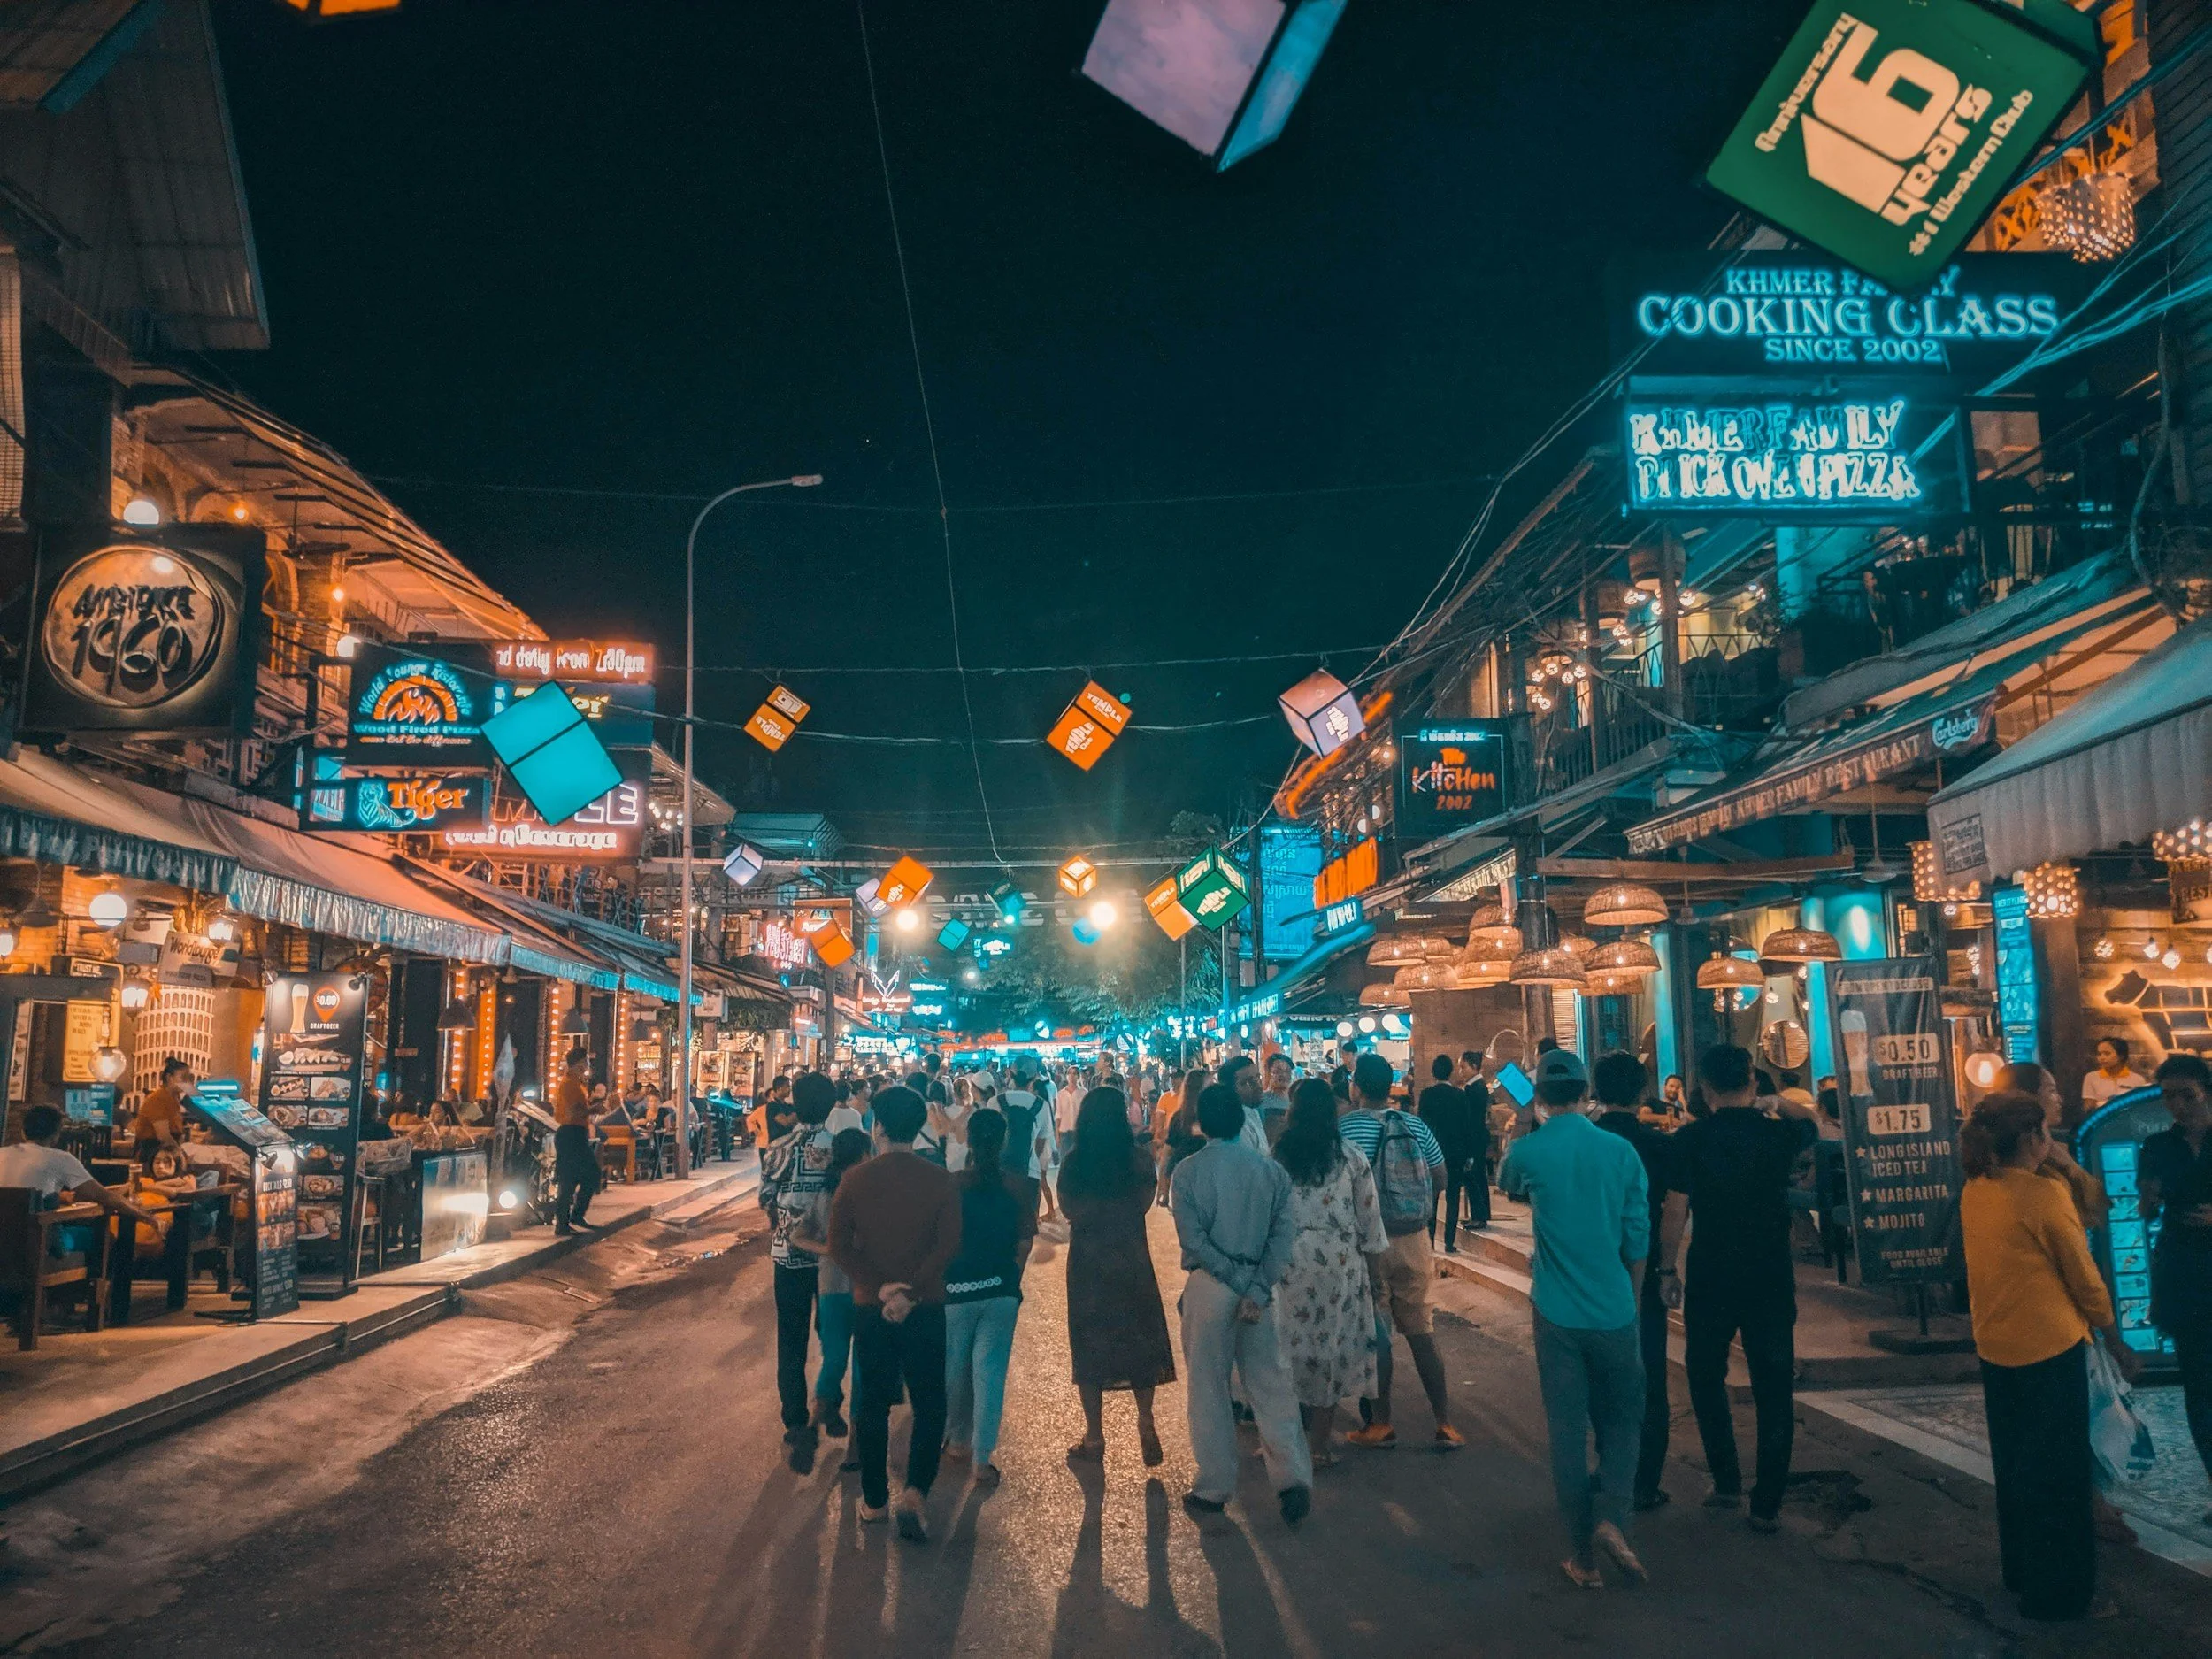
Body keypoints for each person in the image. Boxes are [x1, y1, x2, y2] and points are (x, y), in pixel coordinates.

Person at [1960, 1090, 2137, 1621]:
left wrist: (2060, 1165)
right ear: (2034, 1138)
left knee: (2016, 1466)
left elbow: (2082, 1216)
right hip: (2049, 1346)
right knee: (2060, 1476)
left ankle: (2023, 1573)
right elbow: (2082, 1274)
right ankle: (2061, 1595)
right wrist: (2114, 1336)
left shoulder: (1978, 1189)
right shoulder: (2039, 1196)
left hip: (1997, 1343)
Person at [1498, 1048, 1653, 1589]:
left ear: (1540, 1096)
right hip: (1615, 1306)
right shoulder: (1619, 1152)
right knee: (1622, 1422)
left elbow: (1506, 1180)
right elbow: (1638, 1235)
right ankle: (1614, 1517)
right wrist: (1630, 1299)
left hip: (1556, 1312)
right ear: (1587, 1093)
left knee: (1567, 1431)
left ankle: (1582, 1558)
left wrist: (1522, 1122)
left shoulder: (1530, 1150)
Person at [1656, 1043, 1819, 1531]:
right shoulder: (1778, 1135)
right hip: (1769, 1273)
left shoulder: (1689, 1140)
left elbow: (1675, 1211)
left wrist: (1667, 1271)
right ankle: (1767, 1503)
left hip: (1712, 1271)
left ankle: (1727, 1483)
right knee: (1774, 1383)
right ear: (1752, 1083)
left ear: (1703, 1090)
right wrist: (1775, 1103)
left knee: (1705, 1373)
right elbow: (1812, 1122)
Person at [1171, 1082, 1313, 1525]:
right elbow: (1282, 1236)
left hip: (1210, 1287)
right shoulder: (1270, 1172)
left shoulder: (1188, 1172)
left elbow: (1192, 1239)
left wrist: (1231, 1276)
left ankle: (1214, 1487)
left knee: (1209, 1390)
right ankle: (1292, 1480)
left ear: (1201, 1121)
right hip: (1258, 1287)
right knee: (1271, 1384)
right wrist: (1254, 1286)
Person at [828, 1086, 961, 1541]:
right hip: (925, 1307)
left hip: (872, 1307)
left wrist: (879, 1286)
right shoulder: (939, 1178)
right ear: (920, 1125)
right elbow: (948, 1246)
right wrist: (913, 1291)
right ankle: (916, 1493)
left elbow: (838, 1245)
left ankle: (875, 1501)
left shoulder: (856, 1180)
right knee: (929, 1403)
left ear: (877, 1126)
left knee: (872, 1403)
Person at [1338, 1054, 1463, 1449]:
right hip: (1414, 1240)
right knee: (1422, 1331)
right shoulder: (1413, 1124)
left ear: (1355, 1087)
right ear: (1389, 1086)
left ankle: (1382, 1423)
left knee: (1379, 1335)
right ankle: (1444, 1422)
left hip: (1368, 1245)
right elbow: (1440, 1176)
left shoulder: (1345, 1128)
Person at [1271, 1076, 1387, 1466]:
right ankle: (1319, 1447)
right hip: (1338, 1263)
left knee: (1287, 1349)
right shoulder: (1351, 1157)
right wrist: (1377, 1278)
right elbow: (1370, 1221)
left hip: (1288, 1260)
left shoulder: (1279, 1155)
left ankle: (1283, 1443)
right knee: (1329, 1351)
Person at [1060, 1085, 1176, 1463]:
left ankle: (1094, 1435)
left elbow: (1069, 1209)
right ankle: (1145, 1418)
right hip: (1131, 1257)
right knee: (1141, 1338)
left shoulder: (1075, 1161)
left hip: (1089, 1261)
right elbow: (1143, 1204)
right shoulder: (1138, 1160)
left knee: (1089, 1341)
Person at [1589, 1051, 1675, 1513]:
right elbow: (1672, 1210)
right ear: (1642, 1092)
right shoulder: (1659, 1146)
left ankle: (1609, 1468)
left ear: (1597, 1091)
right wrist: (1668, 1269)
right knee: (1648, 1375)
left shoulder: (1587, 1142)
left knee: (1601, 1374)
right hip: (1645, 1271)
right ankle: (1645, 1481)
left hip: (1594, 1273)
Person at [942, 1109, 1035, 1487]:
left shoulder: (952, 1184)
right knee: (990, 1373)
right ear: (1004, 1141)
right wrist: (1012, 1282)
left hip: (956, 1290)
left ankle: (958, 1441)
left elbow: (940, 1239)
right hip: (1000, 1292)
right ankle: (983, 1460)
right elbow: (1024, 1243)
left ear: (970, 1139)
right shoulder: (1021, 1186)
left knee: (955, 1370)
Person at [2142, 1051, 2212, 1521]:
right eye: (2168, 1097)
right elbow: (2147, 1209)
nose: (2178, 1106)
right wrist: (2148, 1199)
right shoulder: (2157, 1147)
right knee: (2201, 1384)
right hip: (2185, 1272)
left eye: (2186, 1095)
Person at [759, 1071, 837, 1471]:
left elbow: (765, 1198)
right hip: (830, 1256)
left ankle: (794, 1420)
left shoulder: (778, 1146)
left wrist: (783, 1221)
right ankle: (829, 1403)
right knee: (832, 1335)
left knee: (791, 1339)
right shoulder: (838, 1148)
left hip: (787, 1255)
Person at [791, 1125, 872, 1464]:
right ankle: (854, 1448)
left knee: (835, 1357)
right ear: (864, 1156)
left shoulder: (825, 1192)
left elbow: (797, 1236)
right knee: (862, 1365)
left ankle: (812, 1424)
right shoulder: (870, 1191)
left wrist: (826, 1250)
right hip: (865, 1286)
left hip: (830, 1285)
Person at [0, 1104, 158, 1257]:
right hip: (40, 1248)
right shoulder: (61, 1159)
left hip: (5, 1245)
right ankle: (86, 1284)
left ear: (23, 1132)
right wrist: (147, 1217)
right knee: (103, 1236)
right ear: (56, 1134)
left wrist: (58, 1197)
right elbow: (105, 1197)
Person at [1417, 1054, 1482, 1254]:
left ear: (1433, 1073)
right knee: (1453, 1197)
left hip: (1432, 1153)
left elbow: (1422, 1126)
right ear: (1451, 1072)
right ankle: (1449, 1243)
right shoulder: (1460, 1095)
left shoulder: (1426, 1095)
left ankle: (1429, 1242)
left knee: (1433, 1198)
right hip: (1456, 1153)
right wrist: (1469, 1154)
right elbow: (1467, 1127)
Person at [550, 1047, 599, 1235]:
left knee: (586, 1175)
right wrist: (594, 1110)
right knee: (570, 1179)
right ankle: (563, 1222)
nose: (587, 1064)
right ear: (578, 1062)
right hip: (570, 1133)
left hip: (577, 1132)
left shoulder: (576, 1083)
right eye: (585, 1060)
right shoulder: (569, 1084)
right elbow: (572, 1112)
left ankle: (573, 1216)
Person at [999, 1059, 1055, 1218]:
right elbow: (1040, 1145)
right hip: (1030, 1173)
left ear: (1010, 1074)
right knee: (1026, 1228)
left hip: (1001, 1172)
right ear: (1034, 1077)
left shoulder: (996, 1102)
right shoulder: (1041, 1105)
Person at [131, 1056, 195, 1169]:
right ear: (170, 1078)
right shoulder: (157, 1099)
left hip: (168, 1153)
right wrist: (180, 1156)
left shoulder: (175, 1098)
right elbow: (164, 1136)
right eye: (183, 1078)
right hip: (152, 1157)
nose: (187, 1082)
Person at [2080, 1037, 2149, 1111]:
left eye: (2107, 1054)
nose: (2102, 1058)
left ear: (2121, 1056)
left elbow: (2142, 1107)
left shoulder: (2138, 1080)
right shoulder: (2091, 1077)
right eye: (2099, 1054)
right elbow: (2088, 1108)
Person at [1220, 1056, 1271, 1155]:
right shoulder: (1235, 1125)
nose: (1257, 1085)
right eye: (1248, 1082)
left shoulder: (1253, 1112)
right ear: (1230, 1090)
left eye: (1258, 1077)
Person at [1258, 1052, 1295, 1146]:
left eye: (1287, 1071)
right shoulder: (1261, 1101)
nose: (1283, 1075)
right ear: (1268, 1073)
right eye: (1278, 1071)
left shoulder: (1296, 1101)